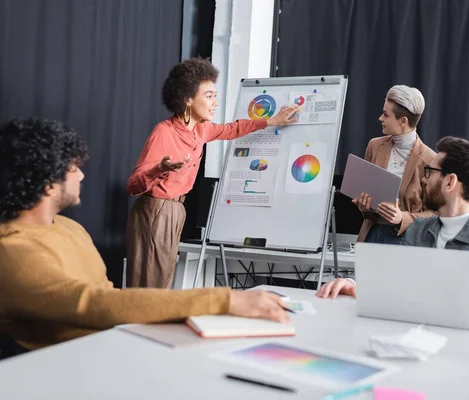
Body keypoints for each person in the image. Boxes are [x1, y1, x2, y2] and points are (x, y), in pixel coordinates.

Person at [0, 118, 289, 352]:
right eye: (73, 168)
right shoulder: (12, 250)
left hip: (114, 349)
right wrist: (224, 301)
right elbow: (94, 304)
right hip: (71, 370)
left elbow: (109, 299)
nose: (82, 176)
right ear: (48, 184)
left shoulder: (69, 228)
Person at [317, 137, 469, 324]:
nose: (423, 179)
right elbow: (389, 271)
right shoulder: (419, 230)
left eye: (430, 173)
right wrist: (352, 282)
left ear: (450, 181)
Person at [126, 58, 298, 288]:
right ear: (187, 99)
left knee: (161, 284)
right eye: (209, 96)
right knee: (150, 285)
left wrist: (271, 121)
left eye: (214, 95)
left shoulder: (201, 129)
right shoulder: (164, 132)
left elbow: (232, 129)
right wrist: (160, 168)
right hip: (157, 210)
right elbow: (132, 185)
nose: (215, 102)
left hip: (176, 210)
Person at [355, 85, 436, 244]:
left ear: (403, 121)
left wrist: (402, 217)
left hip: (406, 241)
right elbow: (366, 202)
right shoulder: (375, 146)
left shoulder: (430, 160)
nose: (380, 118)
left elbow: (436, 214)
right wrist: (364, 207)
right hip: (371, 235)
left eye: (386, 114)